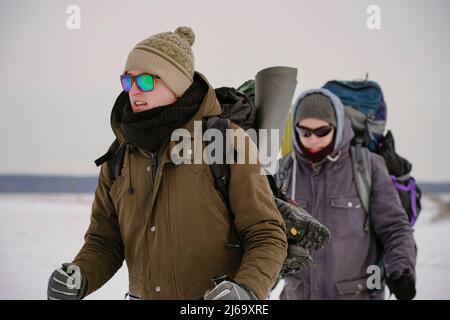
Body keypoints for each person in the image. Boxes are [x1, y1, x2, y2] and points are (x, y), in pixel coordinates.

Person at [47, 26, 287, 300]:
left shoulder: (225, 142)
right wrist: (81, 275)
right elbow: (105, 241)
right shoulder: (120, 155)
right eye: (128, 81)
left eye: (146, 81)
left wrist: (245, 291)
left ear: (177, 83)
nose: (134, 91)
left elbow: (266, 234)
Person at [275, 89, 417, 300]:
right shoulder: (286, 170)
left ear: (338, 127)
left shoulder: (368, 166)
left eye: (322, 131)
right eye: (304, 132)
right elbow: (267, 232)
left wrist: (402, 270)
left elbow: (395, 228)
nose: (313, 139)